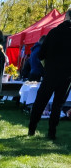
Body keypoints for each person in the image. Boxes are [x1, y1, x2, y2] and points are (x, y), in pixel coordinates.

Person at [28, 8, 71, 141]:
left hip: (51, 73)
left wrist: (47, 67)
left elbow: (41, 55)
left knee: (40, 102)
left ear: (66, 17)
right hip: (66, 75)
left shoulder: (53, 33)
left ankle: (32, 128)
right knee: (58, 104)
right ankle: (52, 131)